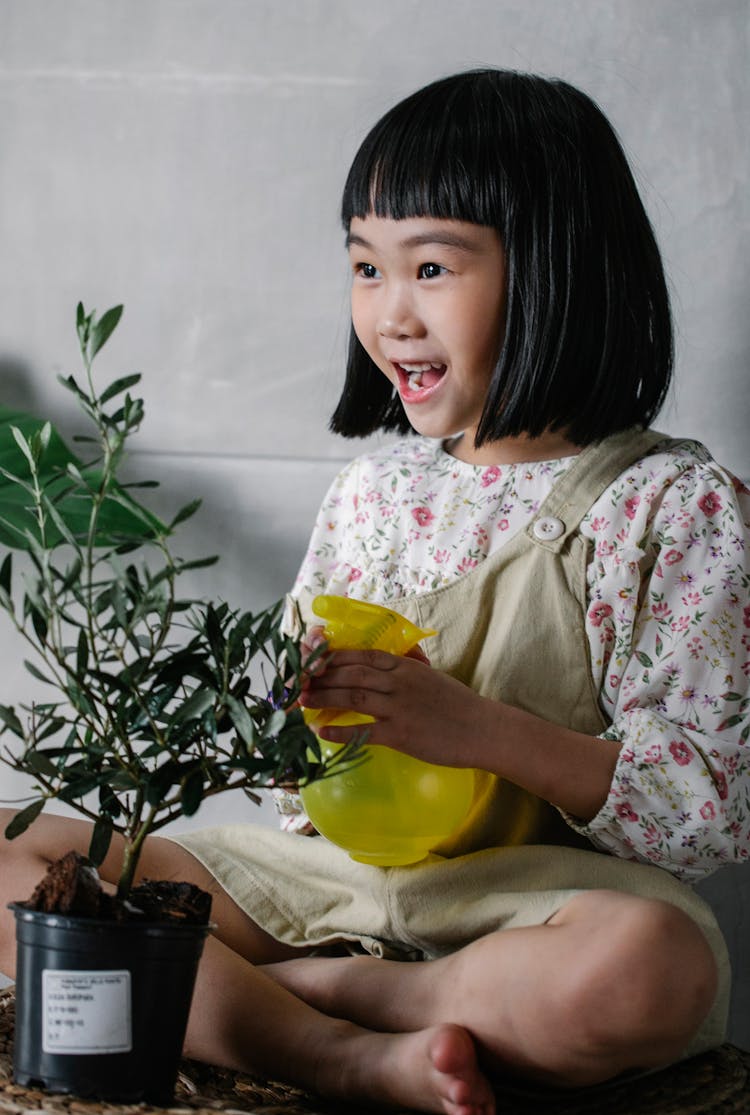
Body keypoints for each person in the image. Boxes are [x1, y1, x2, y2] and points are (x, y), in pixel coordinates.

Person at [2, 69, 749, 1115]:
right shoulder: (375, 491)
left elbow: (709, 815)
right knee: (17, 851)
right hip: (327, 885)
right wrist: (266, 711)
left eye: (431, 265)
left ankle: (327, 998)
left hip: (528, 906)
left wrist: (473, 727)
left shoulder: (674, 503)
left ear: (557, 271)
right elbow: (283, 786)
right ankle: (335, 1047)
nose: (389, 313)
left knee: (649, 968)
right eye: (365, 265)